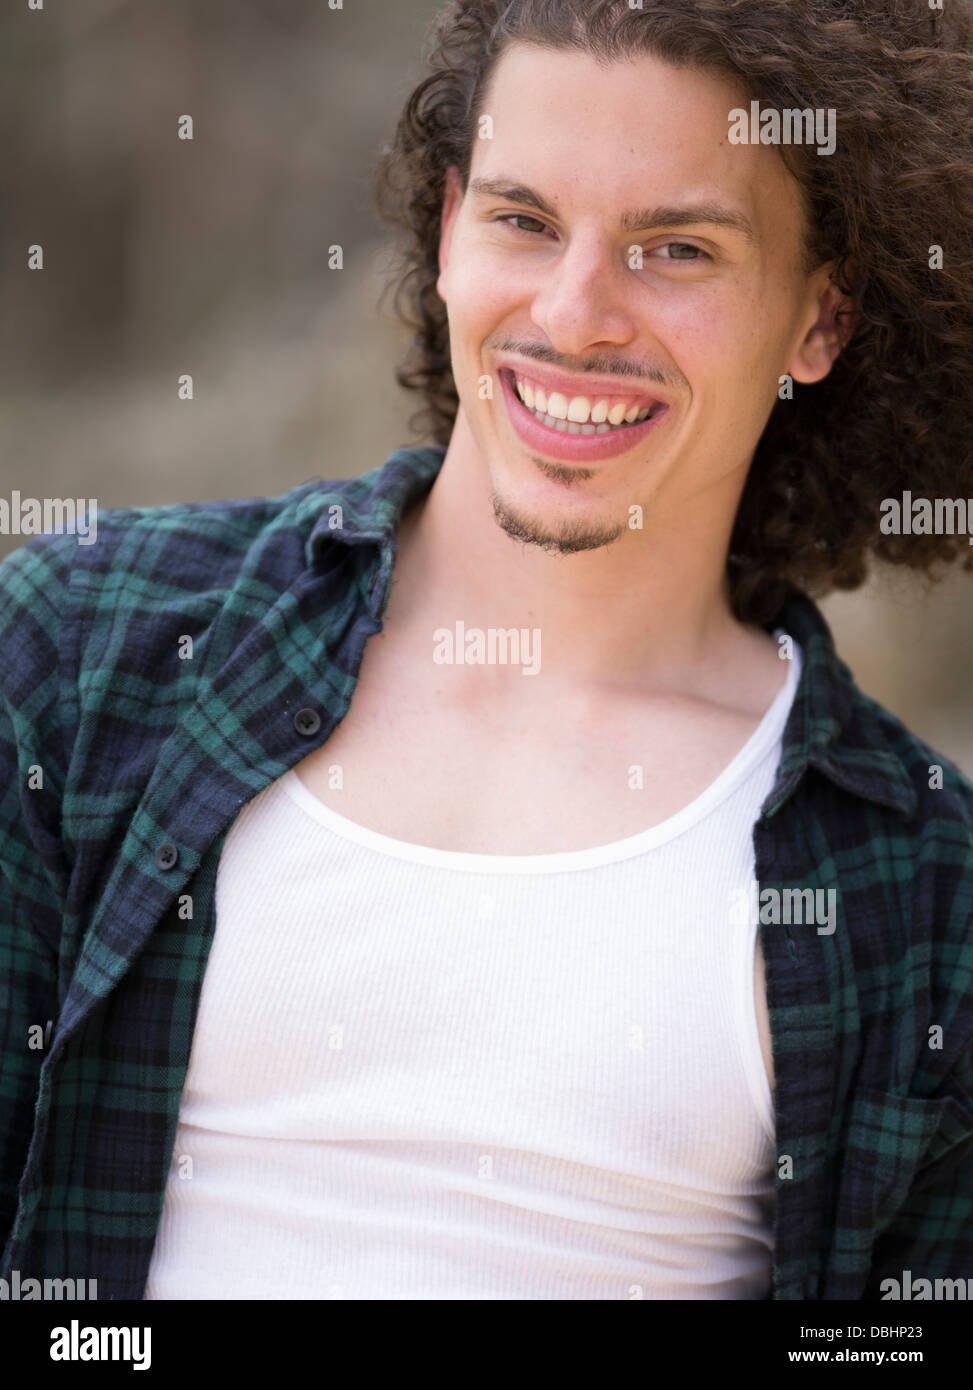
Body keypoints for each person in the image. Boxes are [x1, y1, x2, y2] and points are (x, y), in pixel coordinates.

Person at [2, 0, 971, 1302]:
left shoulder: (925, 886)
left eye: (672, 247)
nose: (572, 316)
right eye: (523, 220)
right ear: (450, 229)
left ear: (821, 320)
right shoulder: (81, 644)